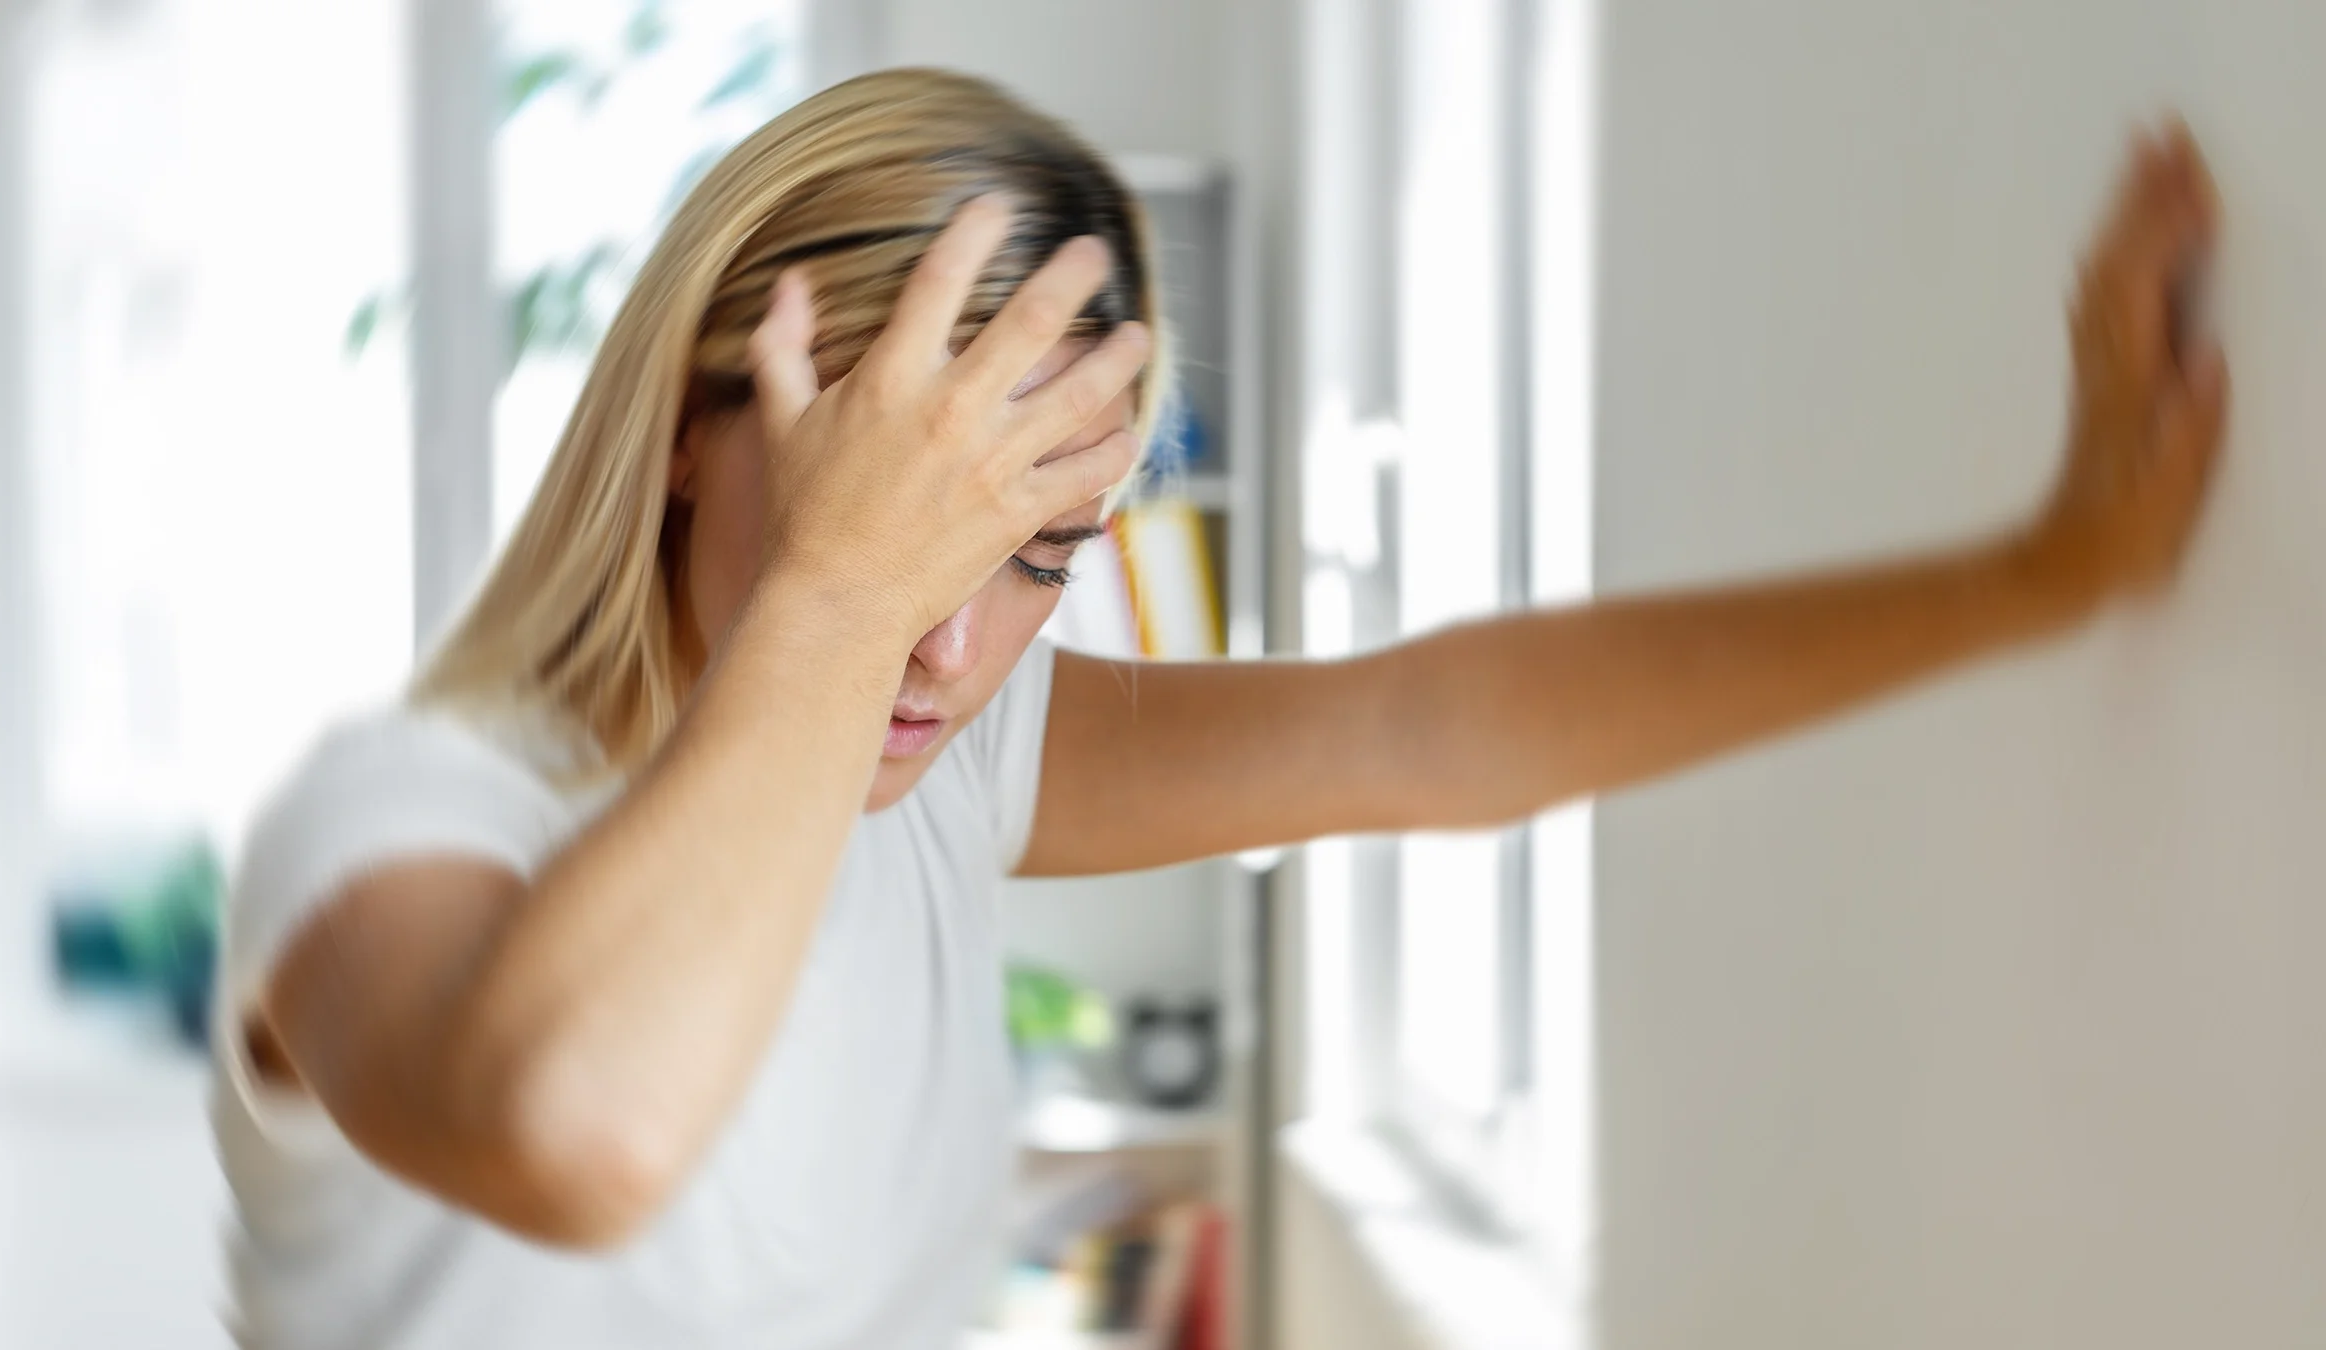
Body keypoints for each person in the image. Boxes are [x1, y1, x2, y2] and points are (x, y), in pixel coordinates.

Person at [213, 68, 2225, 1350]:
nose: (944, 645)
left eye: (1037, 551)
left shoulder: (936, 767)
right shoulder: (389, 830)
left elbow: (1434, 731)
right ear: (683, 426)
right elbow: (584, 1126)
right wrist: (834, 589)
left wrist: (2050, 568)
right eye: (894, 512)